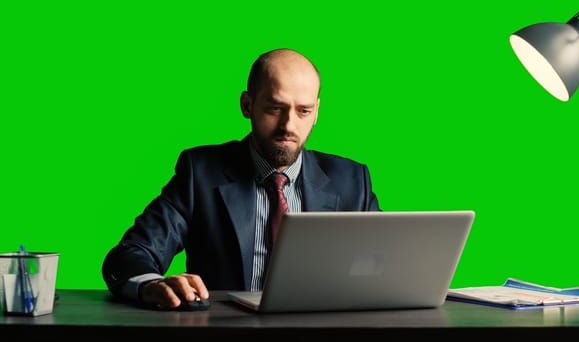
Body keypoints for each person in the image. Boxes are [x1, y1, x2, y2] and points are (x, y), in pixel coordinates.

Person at [101, 48, 381, 310]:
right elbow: (129, 255)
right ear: (247, 105)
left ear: (317, 112)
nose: (289, 125)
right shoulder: (200, 173)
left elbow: (386, 264)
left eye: (303, 111)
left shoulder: (352, 181)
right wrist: (151, 284)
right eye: (274, 108)